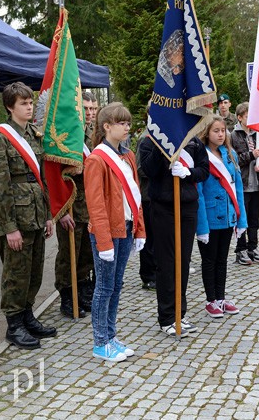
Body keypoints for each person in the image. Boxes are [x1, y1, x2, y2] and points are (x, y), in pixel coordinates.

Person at [0, 82, 56, 349]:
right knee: (15, 273)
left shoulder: (33, 135)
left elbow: (42, 178)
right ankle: (14, 325)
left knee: (34, 271)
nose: (29, 107)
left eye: (30, 102)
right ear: (9, 107)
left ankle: (27, 315)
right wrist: (9, 226)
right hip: (18, 219)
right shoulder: (0, 138)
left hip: (37, 214)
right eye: (23, 103)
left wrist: (48, 214)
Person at [84, 102, 146, 362]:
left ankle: (110, 335)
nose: (127, 128)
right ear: (107, 126)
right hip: (106, 232)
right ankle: (100, 341)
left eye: (128, 123)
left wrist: (139, 229)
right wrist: (103, 242)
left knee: (116, 285)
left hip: (126, 226)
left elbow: (136, 196)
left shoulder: (128, 156)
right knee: (104, 287)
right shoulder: (97, 159)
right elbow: (96, 204)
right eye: (122, 123)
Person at [137, 131, 209, 337]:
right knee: (167, 263)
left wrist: (189, 173)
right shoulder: (150, 142)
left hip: (187, 205)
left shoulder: (194, 142)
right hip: (164, 206)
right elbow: (148, 170)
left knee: (183, 261)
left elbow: (204, 170)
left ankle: (180, 311)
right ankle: (167, 316)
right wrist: (164, 149)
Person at [196, 116, 247, 317]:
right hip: (209, 217)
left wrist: (241, 219)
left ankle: (221, 297)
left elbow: (238, 189)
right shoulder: (201, 156)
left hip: (227, 216)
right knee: (209, 260)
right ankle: (211, 300)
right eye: (215, 130)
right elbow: (198, 193)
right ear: (207, 133)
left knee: (222, 260)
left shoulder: (230, 154)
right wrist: (201, 226)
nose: (220, 134)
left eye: (223, 130)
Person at [54, 91, 98, 318]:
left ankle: (82, 291)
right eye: (85, 108)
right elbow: (54, 176)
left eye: (93, 109)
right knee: (69, 253)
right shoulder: (65, 136)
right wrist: (60, 211)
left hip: (90, 207)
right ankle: (67, 295)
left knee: (86, 254)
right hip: (70, 206)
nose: (90, 113)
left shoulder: (94, 134)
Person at [230, 102, 259, 265]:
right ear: (239, 118)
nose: (251, 119)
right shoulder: (233, 135)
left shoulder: (256, 135)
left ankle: (253, 246)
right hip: (242, 184)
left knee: (254, 218)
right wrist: (251, 155)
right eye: (247, 117)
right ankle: (241, 249)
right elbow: (233, 159)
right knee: (242, 219)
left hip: (256, 183)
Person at [135, 130, 157, 290]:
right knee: (149, 237)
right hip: (148, 194)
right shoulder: (145, 137)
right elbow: (140, 168)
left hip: (160, 194)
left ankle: (158, 271)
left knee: (159, 238)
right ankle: (148, 275)